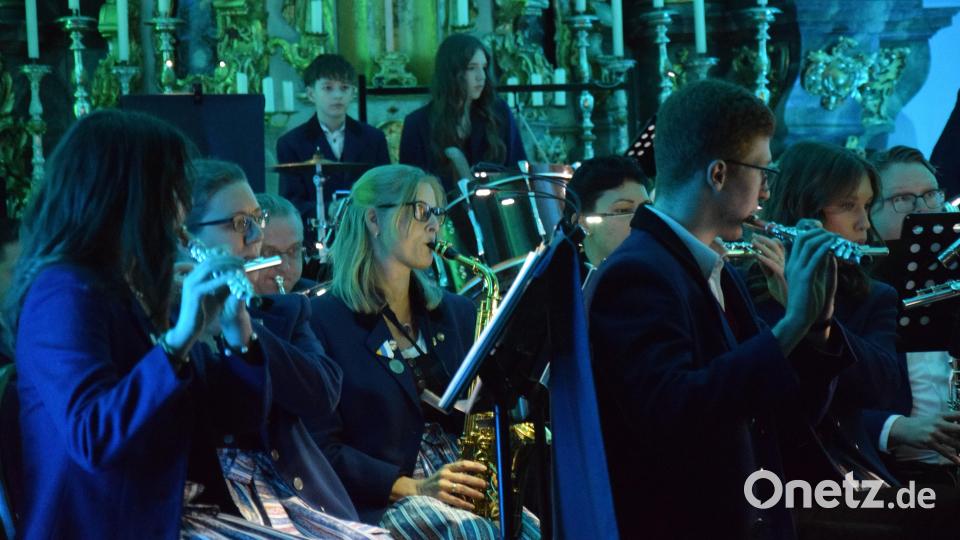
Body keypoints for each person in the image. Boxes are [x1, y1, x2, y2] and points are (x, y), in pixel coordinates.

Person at [586, 80, 851, 539]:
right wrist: (790, 325)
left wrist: (817, 327)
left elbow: (783, 416)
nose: (766, 191)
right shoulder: (636, 274)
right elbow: (675, 413)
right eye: (763, 171)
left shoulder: (716, 267)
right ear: (719, 174)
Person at [3, 110, 268, 539]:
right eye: (172, 191)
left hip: (171, 517)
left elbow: (235, 423)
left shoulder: (133, 288)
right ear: (128, 195)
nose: (181, 211)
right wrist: (177, 340)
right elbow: (92, 437)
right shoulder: (63, 292)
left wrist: (236, 328)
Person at [308, 164, 539, 538]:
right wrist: (413, 486)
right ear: (374, 220)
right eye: (420, 211)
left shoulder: (456, 312)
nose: (435, 225)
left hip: (461, 481)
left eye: (438, 212)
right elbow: (320, 447)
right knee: (474, 534)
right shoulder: (322, 320)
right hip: (384, 497)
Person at [183, 159, 384, 539]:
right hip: (215, 499)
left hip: (284, 489)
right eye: (240, 224)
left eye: (256, 221)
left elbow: (322, 394)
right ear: (187, 237)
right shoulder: (169, 311)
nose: (254, 239)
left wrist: (247, 326)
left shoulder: (287, 310)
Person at [866, 145, 960, 488]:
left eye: (931, 195)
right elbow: (823, 407)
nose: (923, 210)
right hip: (893, 482)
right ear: (869, 214)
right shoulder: (855, 295)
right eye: (903, 199)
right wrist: (896, 428)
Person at [277, 54, 391, 239]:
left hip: (365, 235)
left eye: (344, 88)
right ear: (311, 94)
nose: (337, 95)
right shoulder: (291, 142)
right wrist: (327, 209)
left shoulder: (374, 138)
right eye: (328, 88)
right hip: (316, 237)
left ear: (353, 93)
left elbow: (386, 191)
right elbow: (290, 203)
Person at [399, 34, 526, 191]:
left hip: (498, 205)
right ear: (452, 72)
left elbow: (519, 173)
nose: (481, 77)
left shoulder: (499, 114)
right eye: (472, 68)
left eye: (484, 67)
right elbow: (411, 189)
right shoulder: (417, 124)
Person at [566, 156, 652, 269]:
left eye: (646, 207)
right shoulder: (568, 278)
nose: (643, 220)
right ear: (583, 224)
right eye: (623, 210)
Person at [251, 193, 320, 295]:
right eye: (270, 253)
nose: (284, 267)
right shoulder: (227, 302)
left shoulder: (316, 298)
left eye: (293, 250)